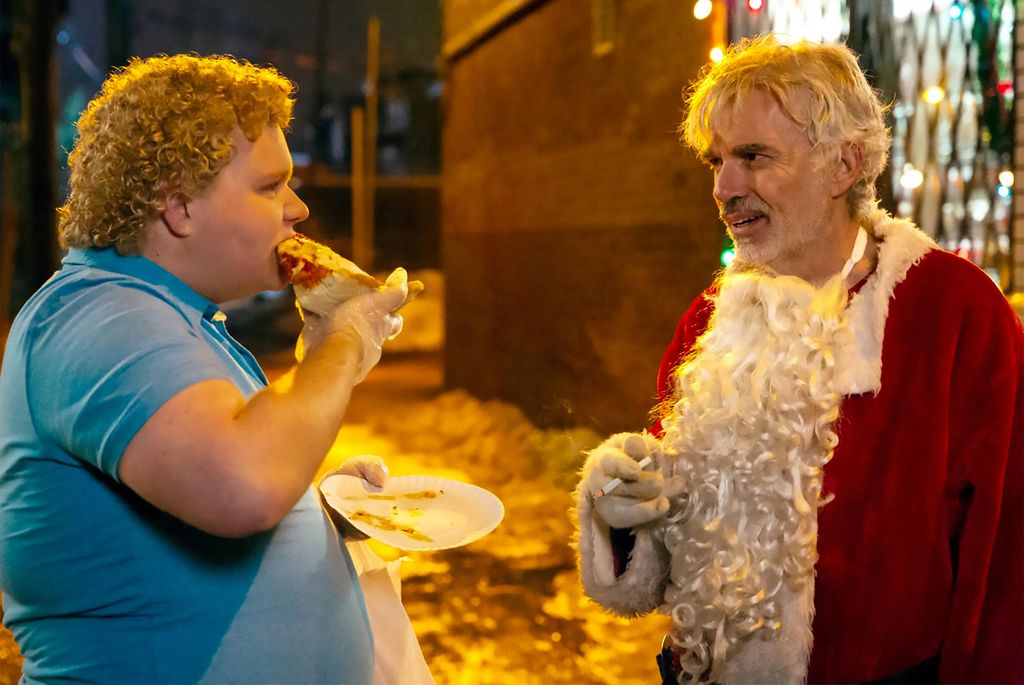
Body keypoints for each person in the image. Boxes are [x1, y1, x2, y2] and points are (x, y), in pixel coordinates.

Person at [575, 35, 1022, 685]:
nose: (725, 186)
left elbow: (1007, 556)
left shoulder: (952, 311)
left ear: (845, 164)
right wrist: (625, 513)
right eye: (718, 160)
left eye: (754, 157)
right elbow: (670, 548)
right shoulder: (710, 317)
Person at [0, 54, 411, 683]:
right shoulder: (100, 313)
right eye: (270, 186)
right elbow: (244, 486)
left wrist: (316, 513)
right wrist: (345, 341)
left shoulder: (174, 318)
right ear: (177, 207)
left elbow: (206, 485)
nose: (296, 209)